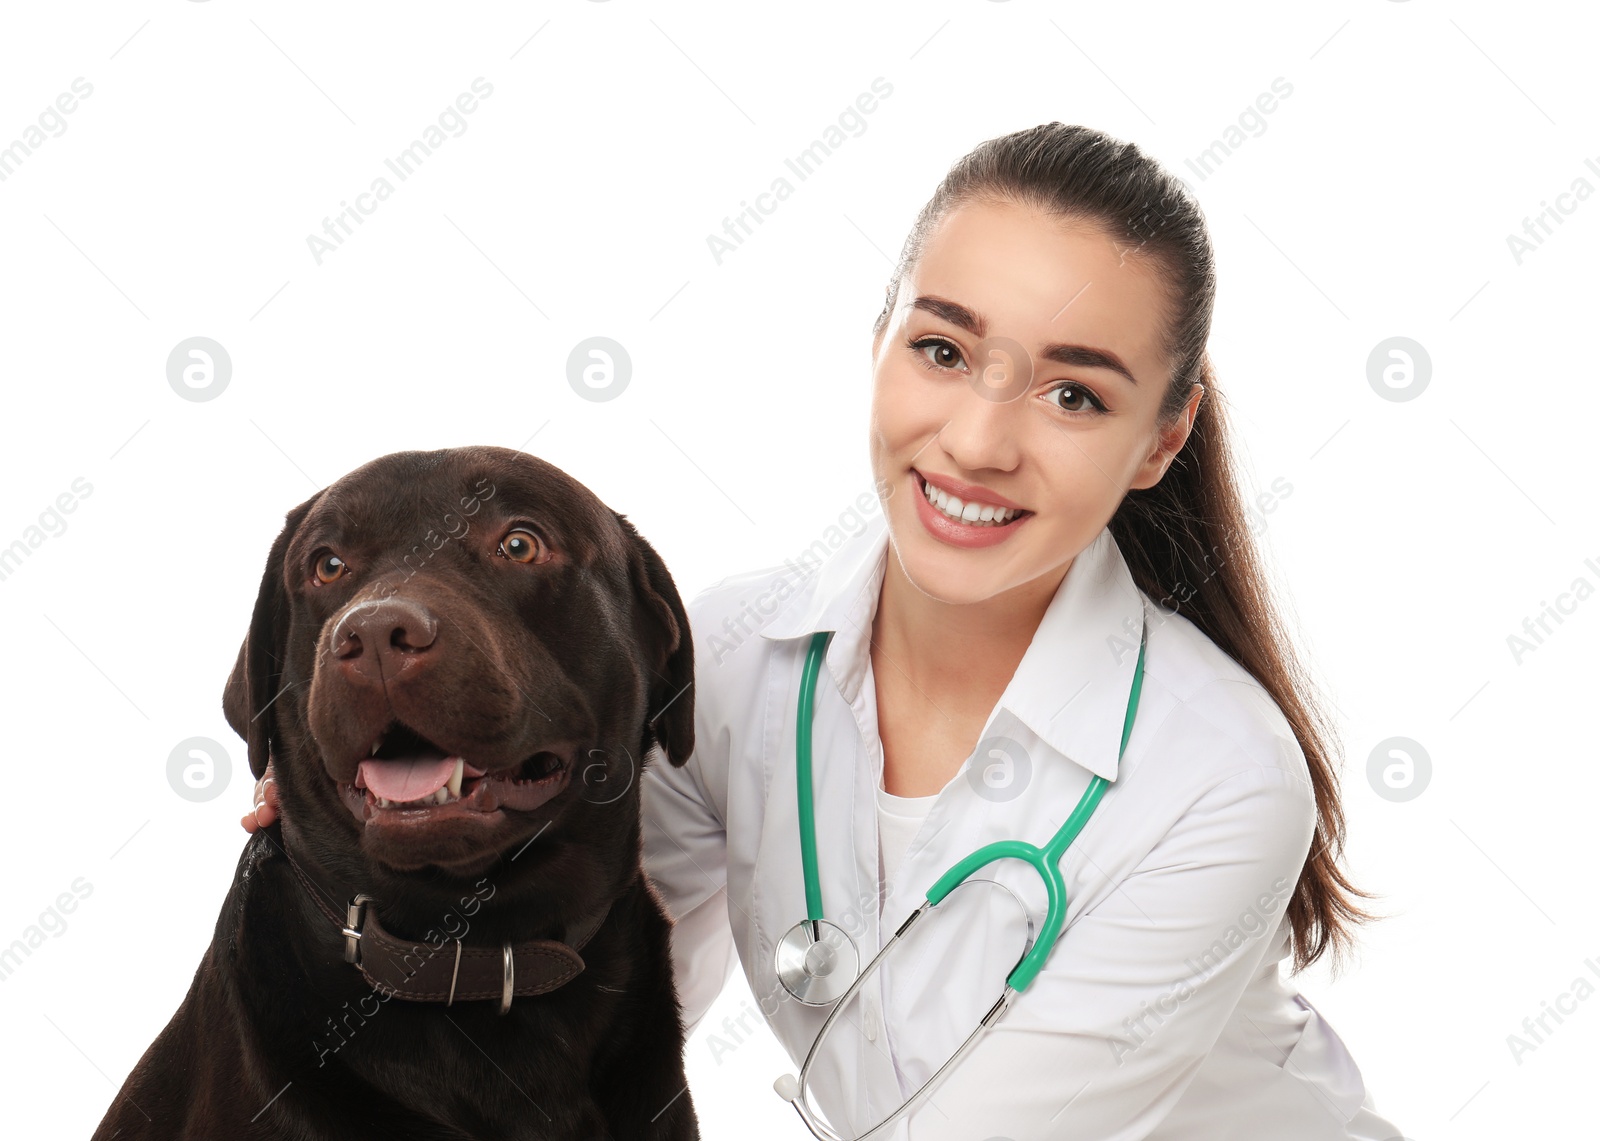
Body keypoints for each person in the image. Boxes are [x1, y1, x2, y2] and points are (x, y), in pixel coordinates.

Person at [247, 123, 1402, 1139]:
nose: (977, 444)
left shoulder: (1220, 777)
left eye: (1074, 395)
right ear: (878, 343)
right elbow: (572, 975)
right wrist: (371, 811)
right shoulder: (738, 662)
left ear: (1162, 436)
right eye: (941, 351)